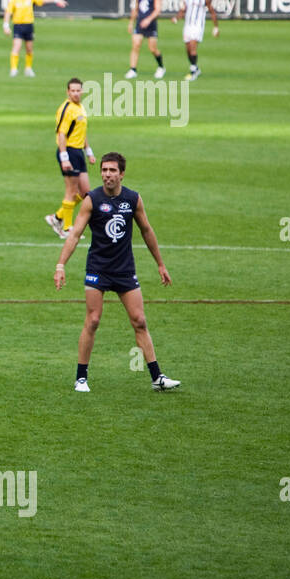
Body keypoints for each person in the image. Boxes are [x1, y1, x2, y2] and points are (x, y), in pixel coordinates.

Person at [53, 153, 180, 393]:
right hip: (98, 269)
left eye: (112, 170)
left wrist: (160, 264)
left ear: (121, 174)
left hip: (124, 270)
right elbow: (75, 234)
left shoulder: (133, 199)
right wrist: (61, 265)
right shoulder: (92, 199)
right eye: (104, 170)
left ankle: (157, 377)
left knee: (140, 321)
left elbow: (147, 231)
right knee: (93, 320)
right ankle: (81, 378)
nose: (107, 175)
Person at [45, 77, 95, 239]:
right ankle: (67, 228)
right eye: (72, 90)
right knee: (71, 191)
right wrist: (64, 156)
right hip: (69, 152)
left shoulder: (80, 107)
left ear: (82, 91)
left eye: (78, 90)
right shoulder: (66, 108)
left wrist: (89, 151)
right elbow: (61, 134)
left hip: (78, 152)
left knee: (85, 191)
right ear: (68, 92)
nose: (75, 93)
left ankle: (57, 217)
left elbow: (82, 132)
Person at [3, 0, 67, 77]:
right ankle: (14, 69)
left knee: (29, 49)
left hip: (29, 26)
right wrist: (6, 26)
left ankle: (28, 69)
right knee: (17, 47)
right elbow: (8, 12)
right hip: (18, 26)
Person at [172, 0, 219, 80]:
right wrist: (176, 18)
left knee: (193, 47)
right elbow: (183, 10)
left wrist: (215, 27)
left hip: (198, 26)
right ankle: (195, 68)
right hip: (187, 25)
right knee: (188, 49)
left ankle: (193, 72)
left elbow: (212, 12)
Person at [125, 0, 165, 78]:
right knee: (135, 46)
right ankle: (133, 69)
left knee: (152, 48)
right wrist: (131, 22)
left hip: (151, 25)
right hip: (139, 24)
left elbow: (157, 10)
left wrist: (148, 19)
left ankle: (161, 67)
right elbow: (135, 9)